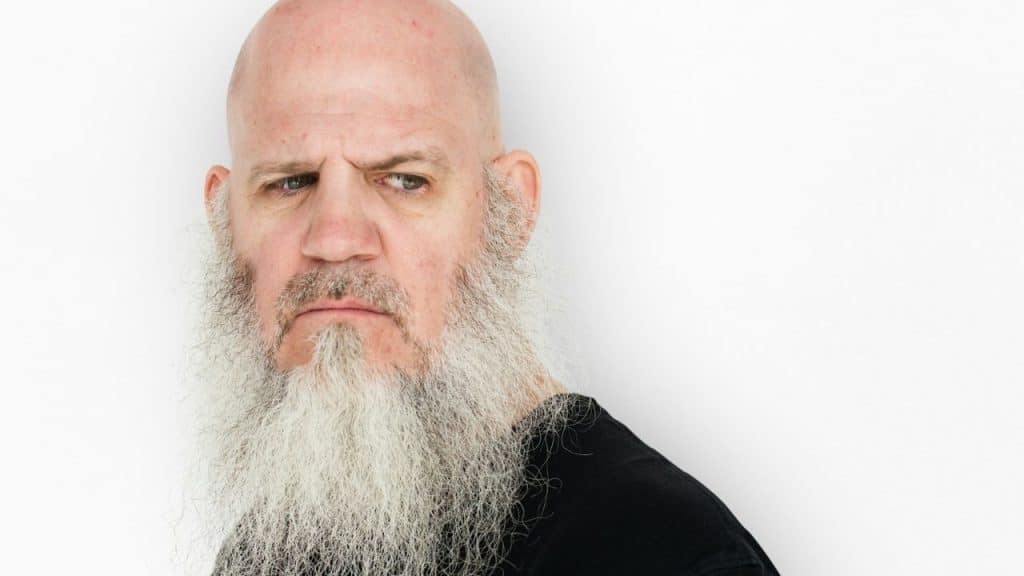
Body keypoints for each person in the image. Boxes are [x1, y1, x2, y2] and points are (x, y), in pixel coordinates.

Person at [196, 1, 779, 574]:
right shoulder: (269, 551)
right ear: (225, 219)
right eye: (289, 182)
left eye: (405, 180)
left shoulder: (671, 556)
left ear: (511, 211)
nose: (335, 237)